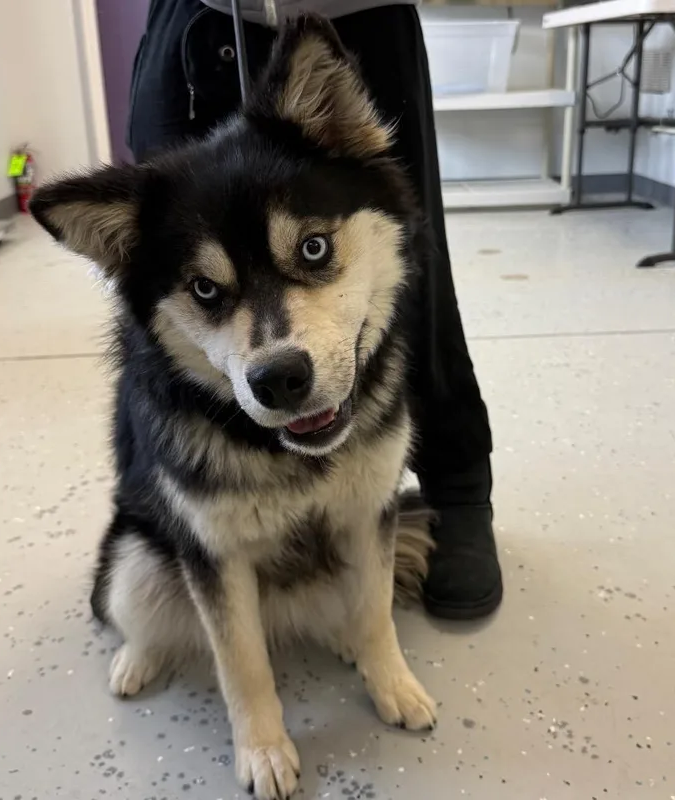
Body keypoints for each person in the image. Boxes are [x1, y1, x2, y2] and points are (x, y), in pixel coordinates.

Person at [126, 0, 503, 620]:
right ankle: (204, 522)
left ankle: (455, 486)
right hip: (194, 17)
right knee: (179, 301)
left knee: (410, 273)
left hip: (352, 10)